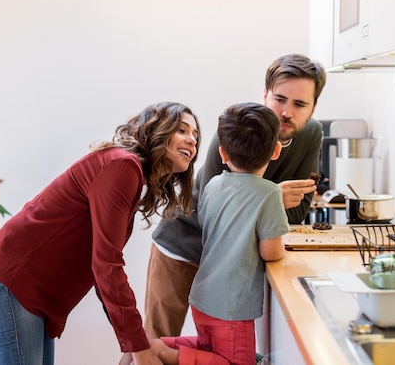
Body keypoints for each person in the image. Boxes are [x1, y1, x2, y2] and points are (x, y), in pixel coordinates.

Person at [0, 102, 201, 365]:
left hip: (27, 291)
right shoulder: (122, 167)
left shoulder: (127, 172)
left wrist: (132, 341)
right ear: (157, 129)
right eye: (183, 130)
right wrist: (138, 347)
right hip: (11, 282)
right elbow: (107, 265)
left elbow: (104, 270)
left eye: (196, 135)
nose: (192, 140)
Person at [144, 53, 327, 339]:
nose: (287, 112)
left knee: (204, 351)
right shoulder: (231, 131)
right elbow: (212, 211)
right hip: (182, 244)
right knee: (152, 345)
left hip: (230, 256)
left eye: (300, 104)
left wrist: (268, 203)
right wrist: (269, 198)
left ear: (313, 108)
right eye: (279, 99)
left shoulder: (312, 134)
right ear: (264, 94)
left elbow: (298, 210)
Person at [123, 102, 289, 365]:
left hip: (203, 298)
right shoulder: (270, 193)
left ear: (222, 153)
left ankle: (158, 345)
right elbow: (270, 251)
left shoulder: (212, 185)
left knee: (208, 349)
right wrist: (282, 250)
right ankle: (166, 352)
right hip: (232, 308)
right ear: (276, 150)